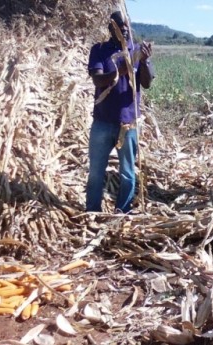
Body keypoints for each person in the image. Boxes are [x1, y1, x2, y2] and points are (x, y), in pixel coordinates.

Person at [86, 10, 154, 213]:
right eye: (119, 26)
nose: (124, 30)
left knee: (127, 173)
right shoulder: (99, 50)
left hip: (129, 123)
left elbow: (147, 83)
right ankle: (92, 211)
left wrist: (143, 62)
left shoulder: (136, 51)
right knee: (96, 173)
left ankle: (122, 213)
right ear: (110, 28)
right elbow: (98, 80)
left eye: (126, 26)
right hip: (103, 123)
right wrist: (121, 69)